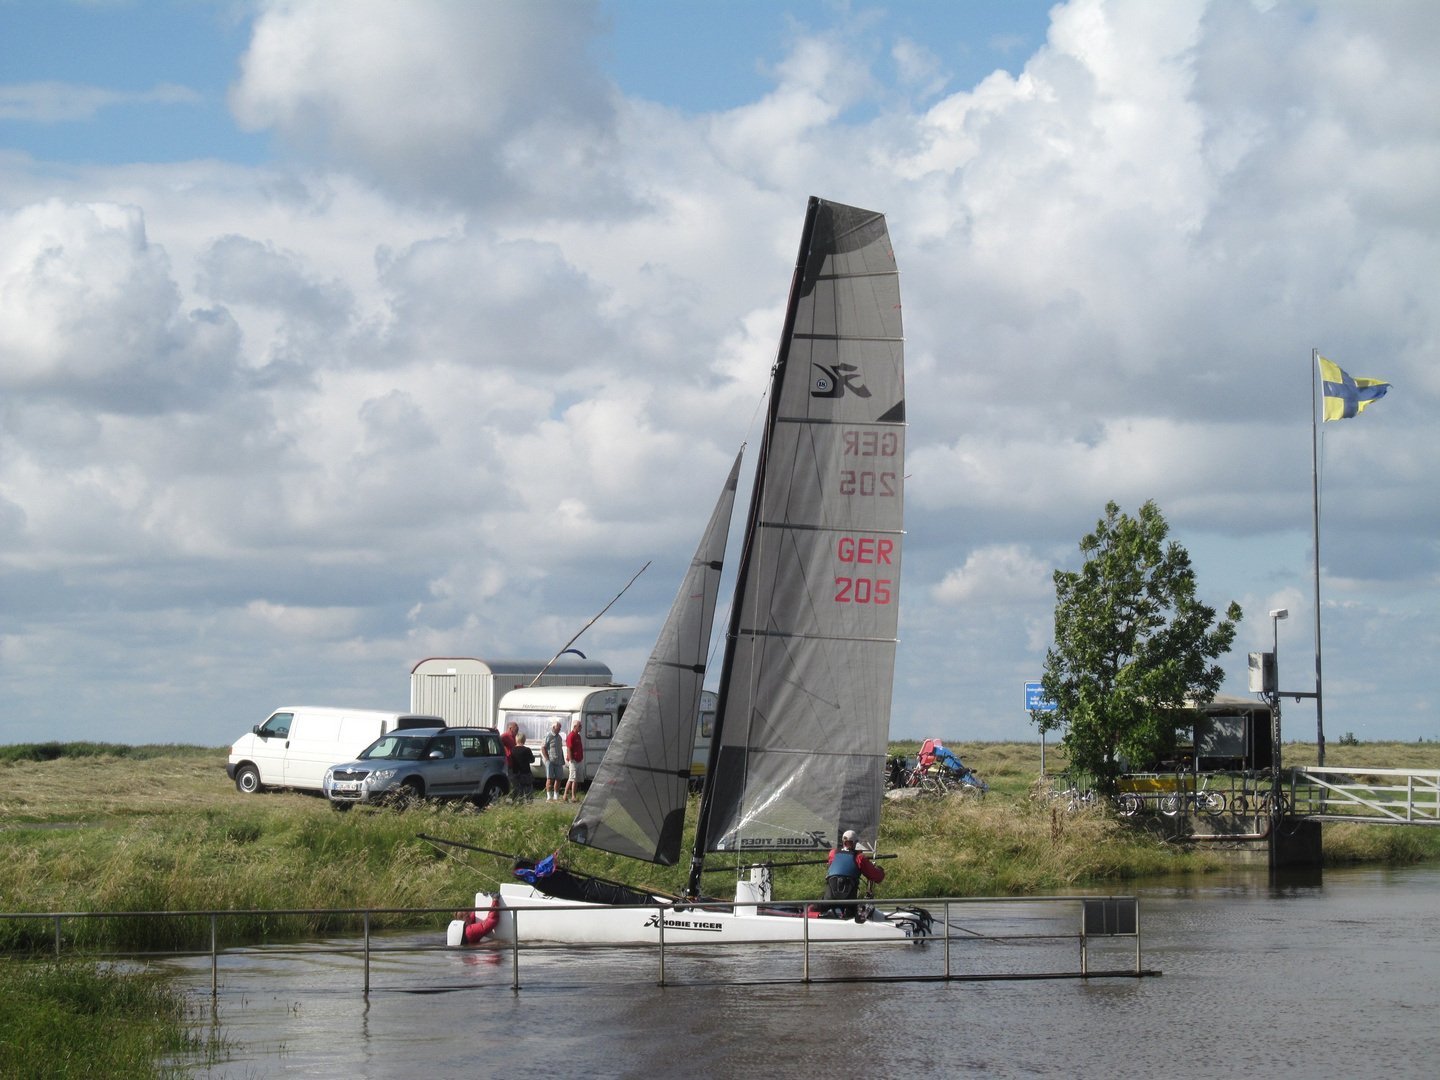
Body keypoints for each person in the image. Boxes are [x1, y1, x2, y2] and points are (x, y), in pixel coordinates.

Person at [823, 829, 885, 919]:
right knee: (852, 909)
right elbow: (875, 876)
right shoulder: (859, 858)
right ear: (855, 842)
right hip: (849, 904)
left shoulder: (833, 853)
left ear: (843, 841)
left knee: (812, 908)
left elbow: (833, 866)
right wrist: (880, 870)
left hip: (828, 901)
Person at [541, 720, 565, 801]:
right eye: (558, 728)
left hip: (558, 760)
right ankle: (549, 796)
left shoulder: (559, 738)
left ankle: (556, 796)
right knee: (550, 778)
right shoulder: (548, 736)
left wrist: (563, 759)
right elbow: (543, 747)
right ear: (554, 728)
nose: (559, 730)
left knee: (559, 778)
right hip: (551, 760)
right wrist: (547, 758)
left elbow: (560, 749)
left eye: (560, 728)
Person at [563, 718, 585, 803]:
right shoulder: (571, 736)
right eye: (579, 726)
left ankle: (573, 796)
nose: (581, 728)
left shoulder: (578, 736)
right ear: (575, 726)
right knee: (572, 778)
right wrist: (571, 759)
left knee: (576, 779)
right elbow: (569, 748)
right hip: (574, 760)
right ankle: (565, 795)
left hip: (579, 759)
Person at [510, 732, 535, 801]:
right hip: (526, 772)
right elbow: (532, 760)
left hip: (516, 772)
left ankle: (518, 803)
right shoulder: (527, 750)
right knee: (528, 790)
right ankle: (529, 803)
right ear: (524, 739)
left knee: (517, 790)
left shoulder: (512, 750)